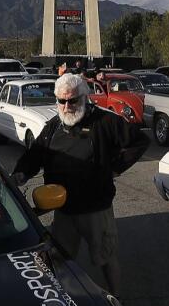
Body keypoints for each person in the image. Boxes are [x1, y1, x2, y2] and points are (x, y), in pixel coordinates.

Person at [12, 74, 149, 294]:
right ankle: (65, 302)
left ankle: (118, 301)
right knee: (59, 261)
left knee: (106, 257)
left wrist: (115, 167)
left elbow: (140, 141)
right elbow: (35, 154)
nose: (67, 106)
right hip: (63, 210)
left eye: (72, 100)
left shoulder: (105, 122)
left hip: (95, 209)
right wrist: (20, 173)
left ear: (84, 97)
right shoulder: (54, 126)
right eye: (61, 101)